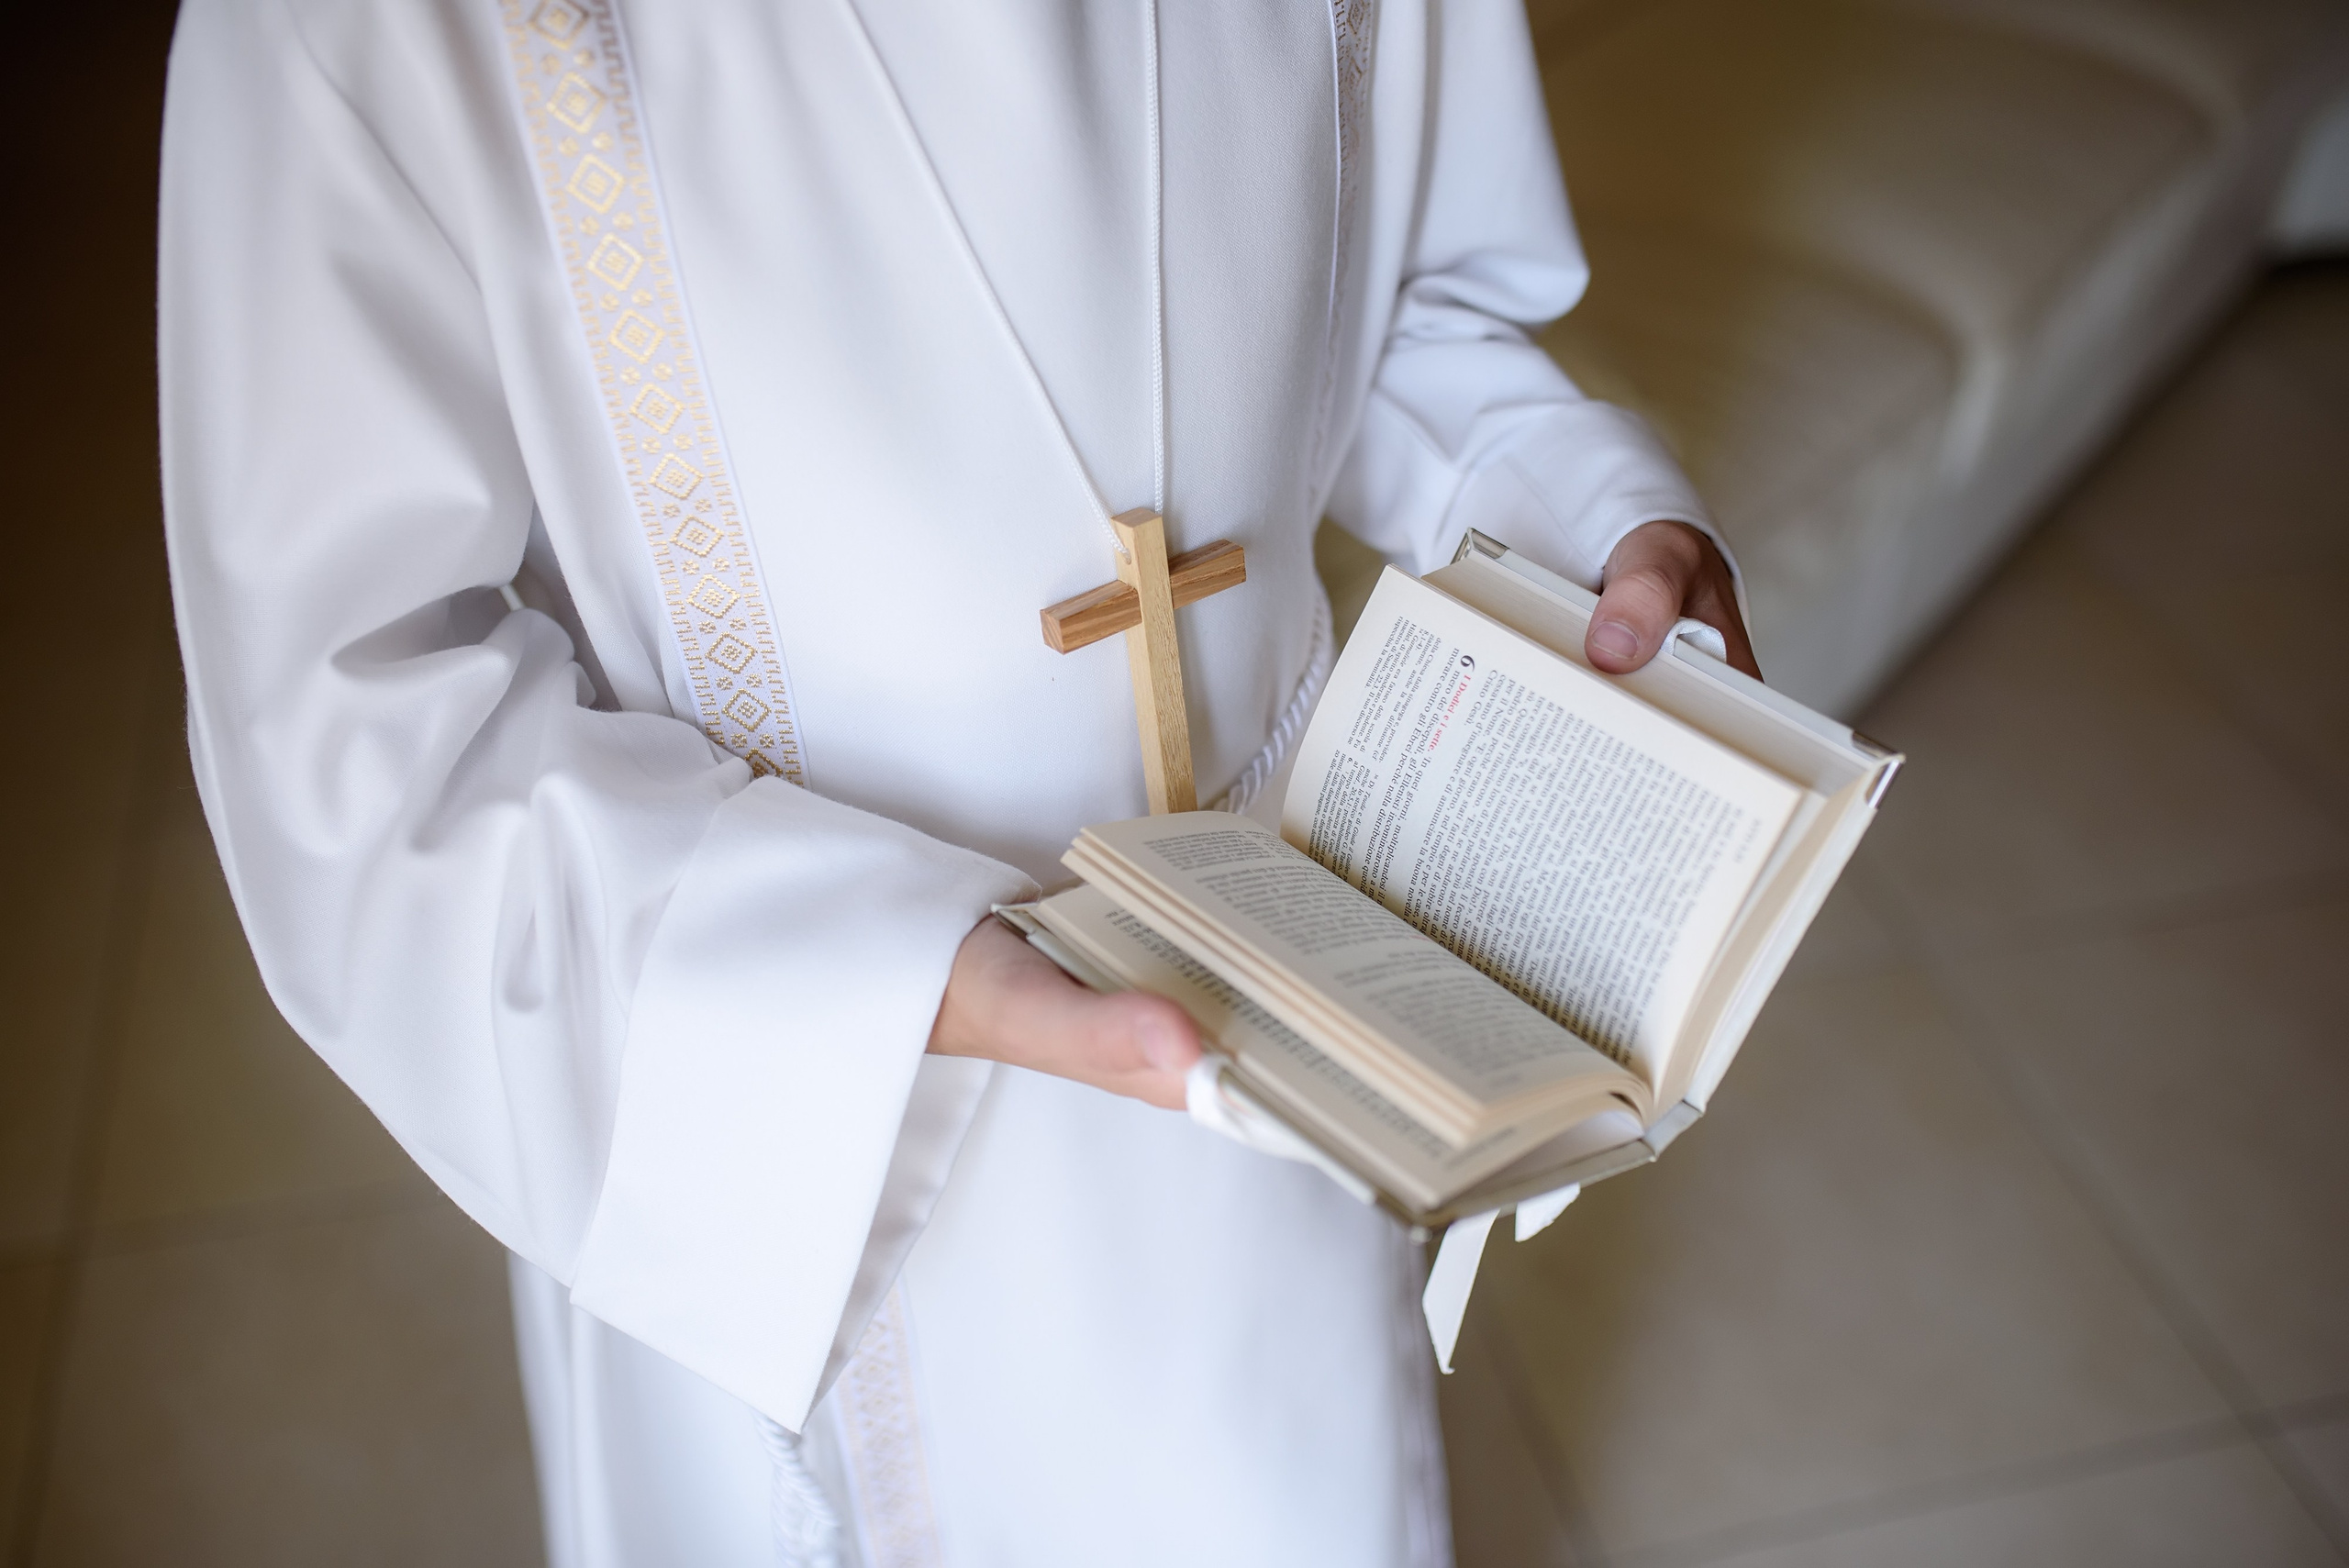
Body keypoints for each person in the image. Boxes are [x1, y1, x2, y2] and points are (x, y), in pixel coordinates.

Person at [160, 0, 1756, 1562]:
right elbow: (358, 724)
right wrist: (890, 976)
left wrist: (1582, 508)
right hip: (802, 1068)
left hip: (1288, 1023)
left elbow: (1394, 297)